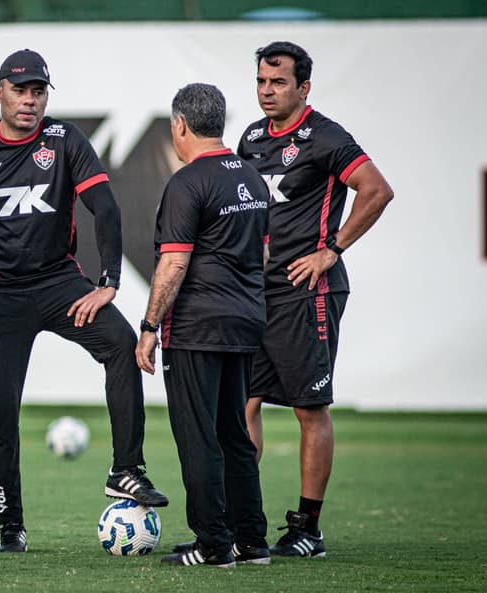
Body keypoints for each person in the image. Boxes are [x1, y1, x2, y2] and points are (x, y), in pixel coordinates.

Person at [0, 48, 168, 553]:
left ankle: (126, 469)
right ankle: (9, 526)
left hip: (59, 284)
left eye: (38, 91)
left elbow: (106, 208)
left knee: (121, 344)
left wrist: (108, 282)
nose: (29, 100)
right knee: (2, 415)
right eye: (20, 91)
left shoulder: (64, 139)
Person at [236, 41, 394, 557]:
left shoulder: (325, 137)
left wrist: (331, 250)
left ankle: (308, 528)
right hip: (257, 292)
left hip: (309, 291)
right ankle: (240, 518)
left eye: (278, 82)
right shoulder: (251, 138)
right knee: (244, 403)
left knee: (309, 408)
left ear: (304, 87)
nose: (267, 91)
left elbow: (377, 190)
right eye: (261, 81)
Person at [135, 83, 270, 568]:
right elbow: (263, 256)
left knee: (199, 438)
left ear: (180, 125)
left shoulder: (187, 183)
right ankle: (251, 542)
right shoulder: (252, 177)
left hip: (197, 327)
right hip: (245, 321)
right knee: (234, 434)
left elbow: (173, 263)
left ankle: (213, 544)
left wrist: (149, 326)